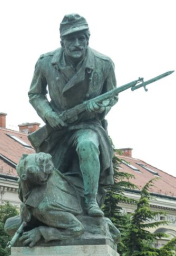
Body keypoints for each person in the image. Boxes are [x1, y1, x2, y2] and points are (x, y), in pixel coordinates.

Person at [27, 13, 117, 218]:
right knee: (46, 174)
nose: (77, 43)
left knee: (88, 146)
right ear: (62, 41)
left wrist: (100, 107)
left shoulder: (104, 63)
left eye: (82, 38)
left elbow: (112, 96)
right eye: (71, 39)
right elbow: (35, 94)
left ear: (88, 39)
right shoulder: (45, 62)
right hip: (58, 127)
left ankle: (90, 200)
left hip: (88, 125)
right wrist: (49, 115)